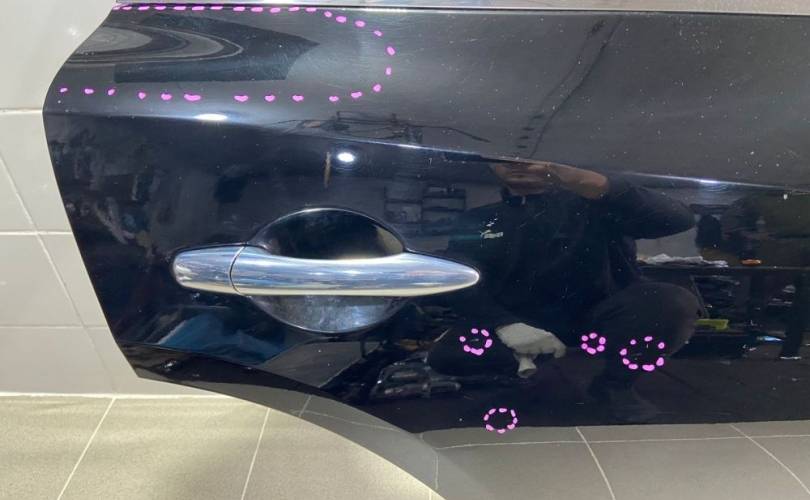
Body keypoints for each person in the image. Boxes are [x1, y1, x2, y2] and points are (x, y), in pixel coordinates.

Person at [428, 161, 702, 421]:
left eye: (527, 158)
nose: (516, 163)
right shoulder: (478, 220)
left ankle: (615, 385)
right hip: (521, 322)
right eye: (503, 157)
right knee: (450, 354)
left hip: (600, 317)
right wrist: (505, 324)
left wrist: (589, 181)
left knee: (672, 304)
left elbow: (678, 218)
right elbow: (463, 277)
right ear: (490, 164)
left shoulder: (596, 205)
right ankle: (521, 376)